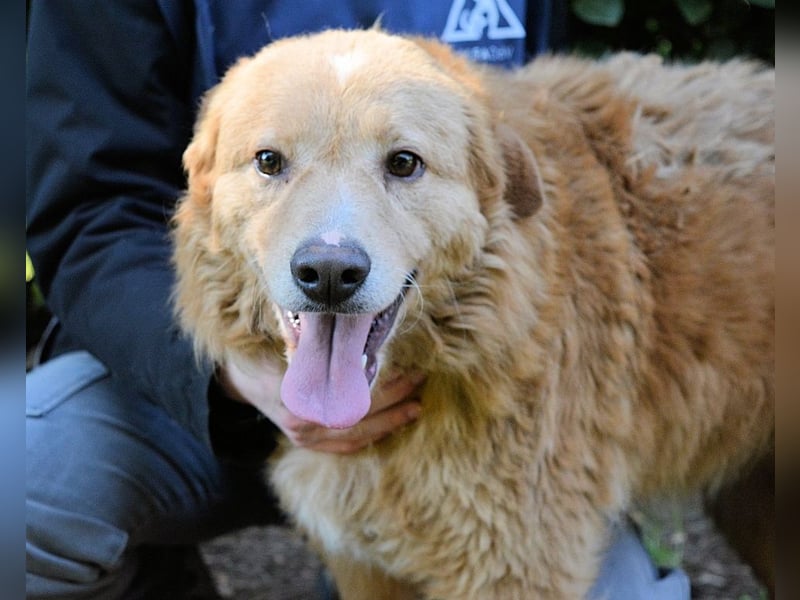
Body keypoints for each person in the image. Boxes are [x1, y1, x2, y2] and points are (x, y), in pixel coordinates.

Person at [25, 1, 689, 598]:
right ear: (202, 173)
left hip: (456, 382)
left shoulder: (486, 164)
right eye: (270, 162)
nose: (331, 251)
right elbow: (91, 211)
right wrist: (222, 380)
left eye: (401, 164)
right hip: (185, 378)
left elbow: (528, 139)